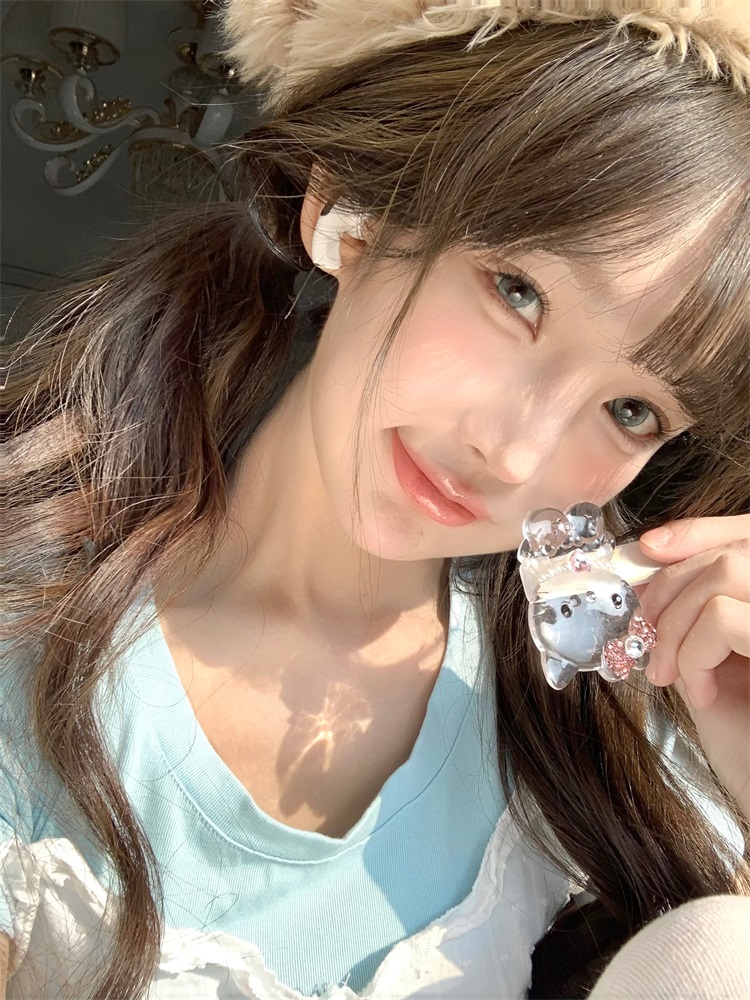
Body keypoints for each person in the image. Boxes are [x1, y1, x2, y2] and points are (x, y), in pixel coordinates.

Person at [2, 1, 749, 997]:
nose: (513, 452)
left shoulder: (605, 720)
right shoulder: (31, 626)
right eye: (517, 292)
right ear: (347, 211)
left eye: (630, 410)